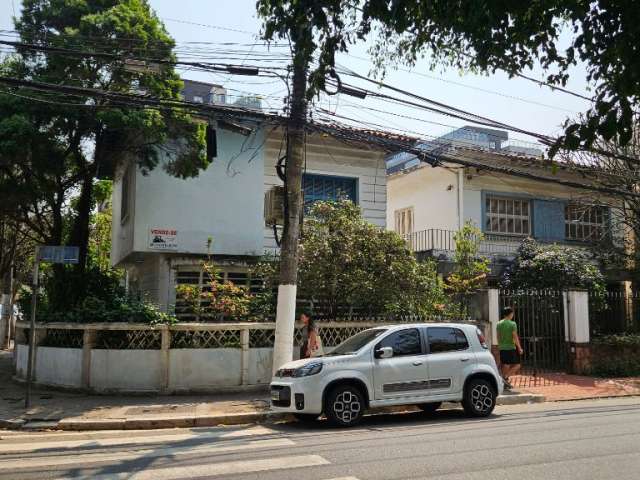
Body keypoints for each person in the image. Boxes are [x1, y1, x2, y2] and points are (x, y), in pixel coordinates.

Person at [496, 306, 523, 391]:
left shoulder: (499, 323)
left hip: (502, 347)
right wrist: (519, 348)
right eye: (512, 313)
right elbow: (515, 337)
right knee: (518, 365)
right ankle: (505, 377)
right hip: (511, 347)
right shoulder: (512, 324)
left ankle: (504, 384)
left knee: (505, 365)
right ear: (510, 314)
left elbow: (498, 336)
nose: (513, 315)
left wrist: (500, 345)